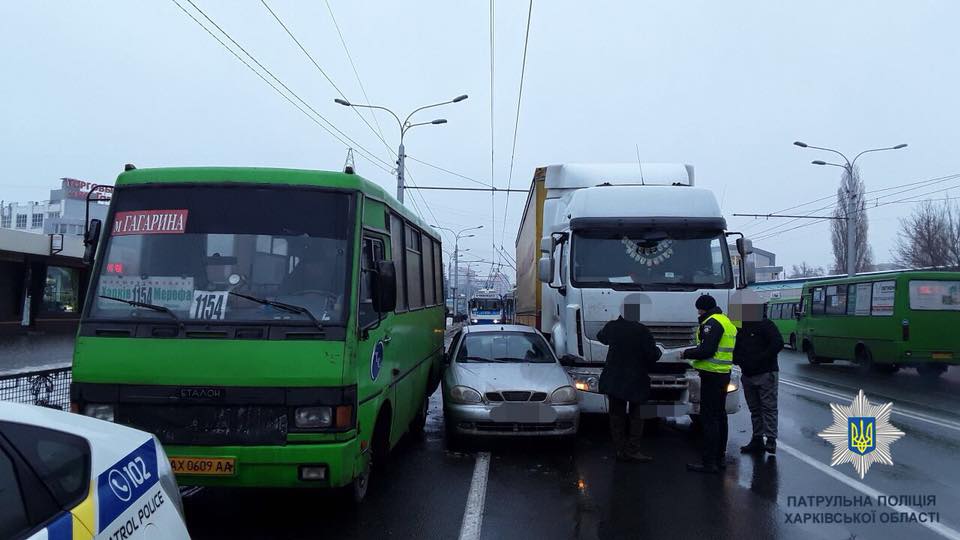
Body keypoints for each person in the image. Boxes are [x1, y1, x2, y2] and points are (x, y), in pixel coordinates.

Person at [597, 308, 662, 462]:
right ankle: (633, 449)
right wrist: (658, 351)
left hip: (614, 379)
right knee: (637, 416)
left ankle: (619, 449)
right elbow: (652, 355)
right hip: (636, 379)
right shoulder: (642, 331)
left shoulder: (612, 327)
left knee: (616, 416)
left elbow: (601, 337)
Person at [682, 294, 737, 474]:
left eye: (699, 308)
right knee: (720, 416)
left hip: (712, 375)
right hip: (723, 374)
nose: (698, 311)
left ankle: (709, 462)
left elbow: (707, 350)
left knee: (709, 419)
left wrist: (686, 353)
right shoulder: (726, 321)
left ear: (703, 308)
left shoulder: (711, 323)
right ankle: (720, 457)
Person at [734, 297, 784, 455]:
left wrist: (760, 359)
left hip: (766, 372)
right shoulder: (741, 328)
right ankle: (757, 439)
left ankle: (770, 440)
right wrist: (741, 361)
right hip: (748, 374)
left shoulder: (766, 325)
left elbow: (777, 344)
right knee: (755, 409)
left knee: (768, 408)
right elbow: (736, 348)